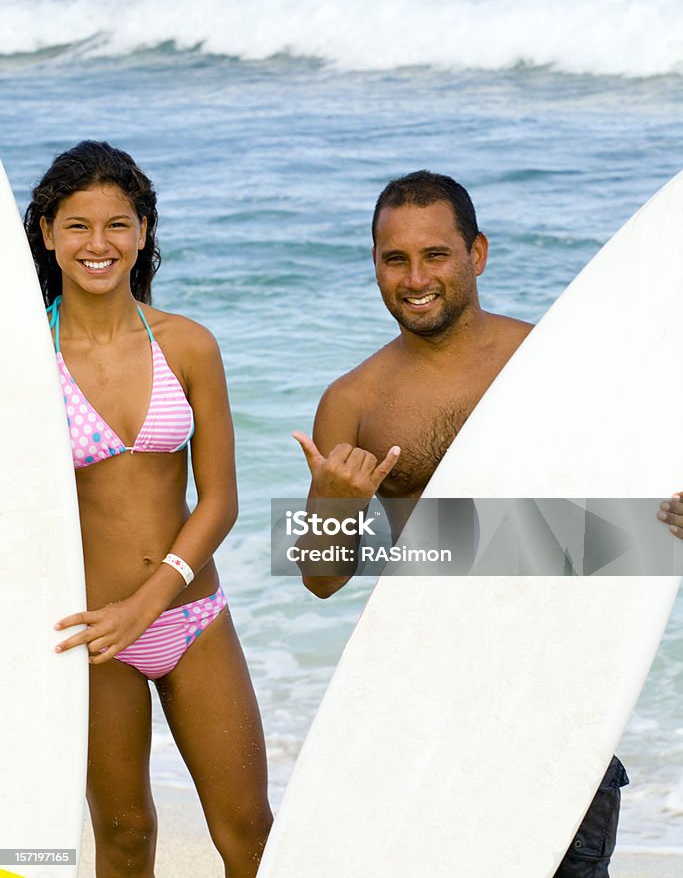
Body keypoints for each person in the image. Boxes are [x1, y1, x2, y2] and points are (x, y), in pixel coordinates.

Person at [292, 169, 681, 877]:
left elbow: (631, 508)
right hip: (424, 689)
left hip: (556, 682)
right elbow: (320, 580)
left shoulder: (553, 363)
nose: (414, 278)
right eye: (393, 258)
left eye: (434, 254)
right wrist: (330, 507)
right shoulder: (351, 400)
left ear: (476, 253)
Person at [24, 141, 272, 878]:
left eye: (117, 225)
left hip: (191, 617)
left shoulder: (188, 345)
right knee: (125, 837)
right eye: (76, 226)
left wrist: (152, 598)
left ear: (142, 232)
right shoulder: (25, 357)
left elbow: (220, 500)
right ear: (45, 233)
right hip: (90, 632)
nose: (98, 244)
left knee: (251, 833)